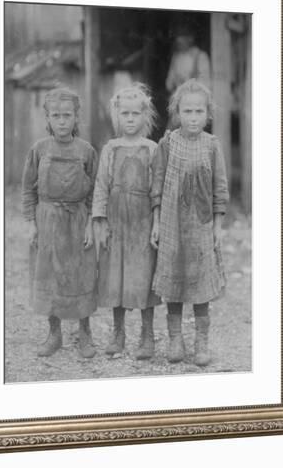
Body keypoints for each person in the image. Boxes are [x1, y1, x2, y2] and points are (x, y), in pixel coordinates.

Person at [150, 79, 229, 366]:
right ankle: (175, 339)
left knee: (199, 284)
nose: (193, 117)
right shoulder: (168, 143)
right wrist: (157, 222)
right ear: (177, 112)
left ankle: (201, 341)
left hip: (200, 226)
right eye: (187, 111)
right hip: (171, 225)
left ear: (207, 114)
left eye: (198, 112)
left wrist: (218, 228)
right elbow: (157, 184)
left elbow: (220, 190)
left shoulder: (212, 145)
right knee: (173, 281)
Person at [21, 88, 98, 358]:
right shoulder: (39, 149)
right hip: (48, 220)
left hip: (77, 220)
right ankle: (54, 334)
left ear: (77, 118)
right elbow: (28, 190)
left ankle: (85, 333)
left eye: (68, 115)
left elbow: (95, 193)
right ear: (48, 118)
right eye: (56, 115)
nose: (62, 121)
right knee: (50, 275)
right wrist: (32, 223)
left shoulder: (86, 150)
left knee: (81, 274)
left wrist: (90, 223)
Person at [93, 83, 161, 360]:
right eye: (125, 114)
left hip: (143, 221)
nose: (130, 119)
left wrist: (157, 223)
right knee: (115, 277)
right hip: (116, 220)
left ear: (145, 116)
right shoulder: (110, 148)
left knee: (143, 277)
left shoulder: (153, 149)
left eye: (135, 114)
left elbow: (157, 189)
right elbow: (101, 185)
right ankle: (118, 333)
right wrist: (100, 220)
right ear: (116, 116)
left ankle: (147, 335)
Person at [165, 26, 211, 105]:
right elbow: (169, 83)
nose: (178, 40)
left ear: (190, 39)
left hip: (195, 101)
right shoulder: (176, 57)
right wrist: (175, 82)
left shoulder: (200, 56)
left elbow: (206, 83)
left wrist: (188, 83)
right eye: (177, 38)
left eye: (182, 37)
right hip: (178, 101)